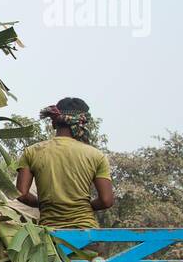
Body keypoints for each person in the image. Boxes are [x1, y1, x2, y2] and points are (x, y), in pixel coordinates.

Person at [16, 97, 115, 229]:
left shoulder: (32, 152)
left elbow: (21, 194)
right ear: (82, 123)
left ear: (53, 123)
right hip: (85, 234)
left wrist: (44, 205)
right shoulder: (96, 155)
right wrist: (82, 207)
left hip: (50, 235)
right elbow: (106, 201)